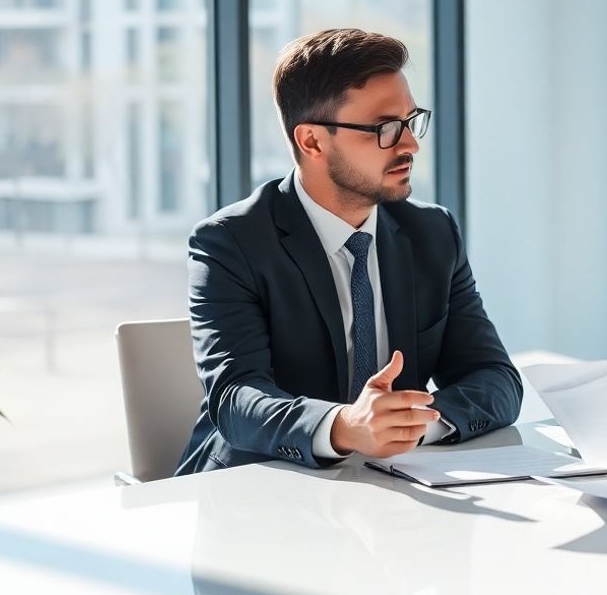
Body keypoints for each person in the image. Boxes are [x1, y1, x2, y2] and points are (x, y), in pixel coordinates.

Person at [175, 28, 521, 476]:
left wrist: (412, 425)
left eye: (411, 121)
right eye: (385, 129)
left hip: (393, 491)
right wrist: (343, 426)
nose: (410, 145)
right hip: (258, 489)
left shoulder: (433, 232)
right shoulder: (229, 242)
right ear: (313, 142)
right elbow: (236, 399)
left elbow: (496, 379)